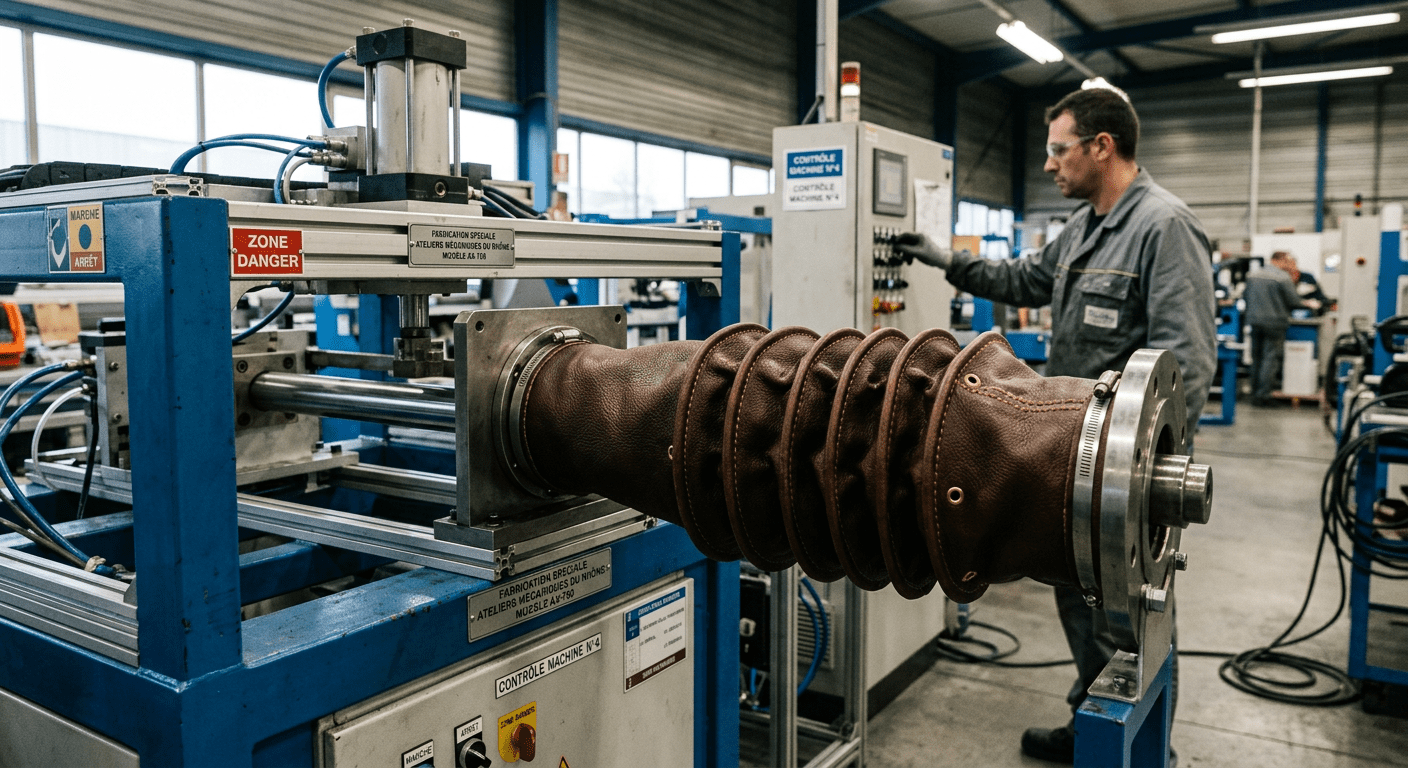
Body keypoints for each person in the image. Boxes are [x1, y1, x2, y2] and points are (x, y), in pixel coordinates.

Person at [895, 85, 1215, 766]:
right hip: (1070, 458)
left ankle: (1150, 751)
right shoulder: (1083, 228)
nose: (1048, 165)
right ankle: (1089, 725)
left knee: (1135, 617)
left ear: (1102, 146)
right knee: (1080, 599)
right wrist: (942, 257)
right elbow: (1020, 279)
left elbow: (1184, 365)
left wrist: (1153, 480)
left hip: (1125, 471)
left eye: (1058, 150)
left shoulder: (1164, 226)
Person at [1245, 251, 1319, 406]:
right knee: (1270, 359)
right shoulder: (1282, 277)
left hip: (1254, 321)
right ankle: (1264, 396)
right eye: (1288, 262)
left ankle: (1254, 395)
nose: (1289, 265)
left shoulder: (1253, 275)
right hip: (1275, 322)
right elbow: (1294, 301)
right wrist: (1309, 303)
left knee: (1256, 358)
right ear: (1279, 260)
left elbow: (1245, 297)